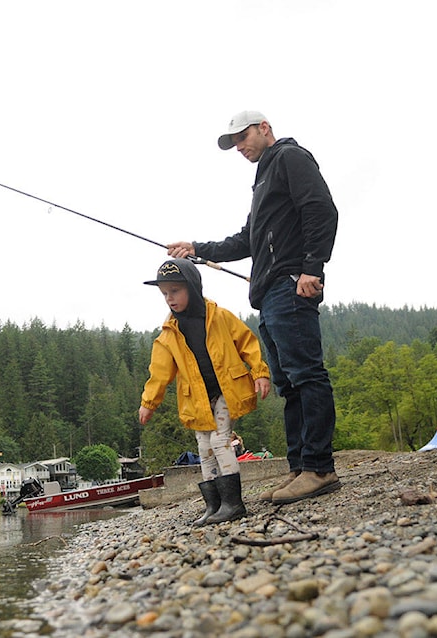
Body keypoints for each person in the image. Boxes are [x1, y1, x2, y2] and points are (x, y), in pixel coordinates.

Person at [167, 110, 340, 505]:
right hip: (269, 296)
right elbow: (247, 240)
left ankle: (319, 468)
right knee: (289, 383)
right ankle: (300, 468)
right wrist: (198, 250)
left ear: (265, 128)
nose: (240, 147)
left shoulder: (290, 158)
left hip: (290, 286)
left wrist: (312, 268)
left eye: (243, 138)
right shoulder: (263, 179)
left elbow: (321, 208)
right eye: (234, 144)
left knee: (307, 375)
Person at [138, 258, 271, 526]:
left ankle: (234, 503)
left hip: (226, 390)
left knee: (220, 441)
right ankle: (214, 505)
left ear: (193, 287)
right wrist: (148, 402)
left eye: (175, 291)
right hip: (197, 399)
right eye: (164, 293)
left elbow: (247, 342)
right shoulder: (168, 333)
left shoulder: (219, 317)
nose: (169, 299)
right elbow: (160, 372)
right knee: (203, 446)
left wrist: (260, 372)